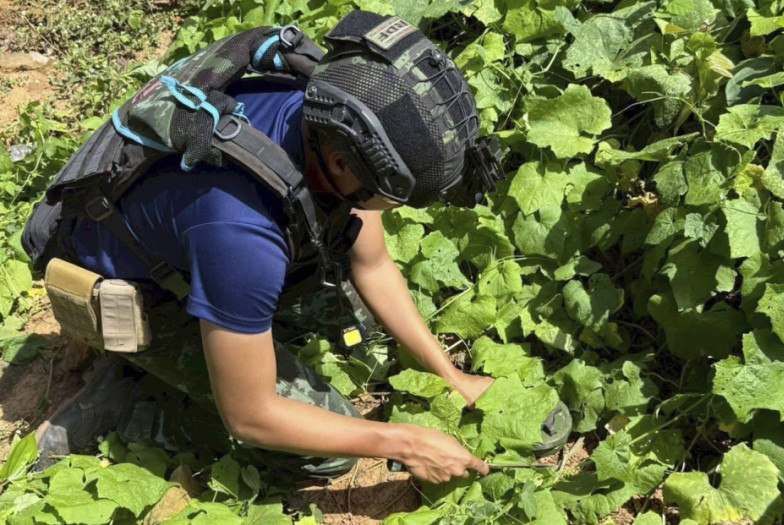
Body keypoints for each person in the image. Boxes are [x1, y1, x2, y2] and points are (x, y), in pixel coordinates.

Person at [26, 12, 569, 484]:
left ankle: (174, 359)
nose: (397, 209)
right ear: (340, 164)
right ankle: (136, 407)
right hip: (132, 292)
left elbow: (371, 260)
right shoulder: (242, 237)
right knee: (320, 451)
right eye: (397, 197)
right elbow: (253, 416)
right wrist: (403, 442)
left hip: (183, 249)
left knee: (361, 333)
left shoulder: (327, 119)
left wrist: (451, 377)